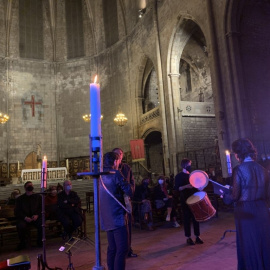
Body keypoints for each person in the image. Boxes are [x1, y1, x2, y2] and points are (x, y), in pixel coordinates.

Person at [223, 138, 270, 269]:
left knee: (249, 244)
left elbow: (235, 196)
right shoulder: (263, 169)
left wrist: (224, 195)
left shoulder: (239, 169)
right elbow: (267, 194)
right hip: (262, 210)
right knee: (263, 243)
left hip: (246, 212)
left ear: (238, 154)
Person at [99, 151, 133, 270]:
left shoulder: (100, 175)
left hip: (106, 216)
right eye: (118, 161)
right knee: (123, 247)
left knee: (112, 248)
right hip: (117, 216)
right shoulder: (115, 173)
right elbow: (129, 190)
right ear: (115, 161)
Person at [112, 148, 137, 258]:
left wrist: (130, 192)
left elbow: (132, 182)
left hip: (126, 199)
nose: (119, 155)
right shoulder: (111, 169)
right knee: (118, 227)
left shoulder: (127, 167)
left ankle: (128, 249)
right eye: (117, 154)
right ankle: (119, 249)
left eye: (121, 154)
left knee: (128, 226)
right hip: (116, 200)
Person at [174, 159, 203, 245]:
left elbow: (196, 186)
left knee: (196, 218)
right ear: (185, 165)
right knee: (187, 218)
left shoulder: (192, 175)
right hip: (185, 199)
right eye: (190, 164)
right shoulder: (178, 176)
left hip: (194, 198)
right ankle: (188, 237)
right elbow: (177, 188)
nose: (191, 166)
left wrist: (200, 187)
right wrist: (186, 186)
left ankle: (197, 236)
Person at [14, 181, 42, 250]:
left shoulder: (38, 197)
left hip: (35, 217)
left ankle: (40, 242)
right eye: (28, 185)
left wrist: (37, 215)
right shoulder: (20, 199)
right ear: (25, 188)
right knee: (20, 225)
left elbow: (41, 207)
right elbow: (17, 211)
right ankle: (23, 243)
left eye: (31, 185)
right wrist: (25, 217)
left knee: (42, 224)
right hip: (24, 218)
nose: (30, 187)